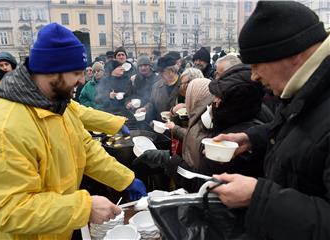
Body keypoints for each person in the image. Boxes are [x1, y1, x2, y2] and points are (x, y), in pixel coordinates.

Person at [0, 23, 146, 239]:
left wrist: (125, 179)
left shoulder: (58, 105)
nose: (82, 80)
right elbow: (10, 210)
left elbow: (86, 148)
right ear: (51, 71)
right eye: (76, 73)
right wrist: (84, 208)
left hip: (58, 227)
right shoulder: (1, 129)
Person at [209, 2, 330, 239]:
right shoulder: (308, 88)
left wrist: (259, 197)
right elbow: (302, 128)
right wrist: (251, 138)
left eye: (256, 64)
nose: (253, 76)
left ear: (294, 54)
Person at [134, 63, 266, 193]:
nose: (214, 102)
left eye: (219, 97)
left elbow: (202, 182)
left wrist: (167, 160)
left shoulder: (232, 136)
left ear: (236, 101)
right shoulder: (236, 122)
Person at [137, 54, 184, 122]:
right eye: (159, 72)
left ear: (172, 71)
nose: (160, 74)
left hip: (178, 128)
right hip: (161, 126)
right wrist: (145, 109)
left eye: (162, 72)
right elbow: (152, 103)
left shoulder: (184, 84)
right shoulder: (156, 86)